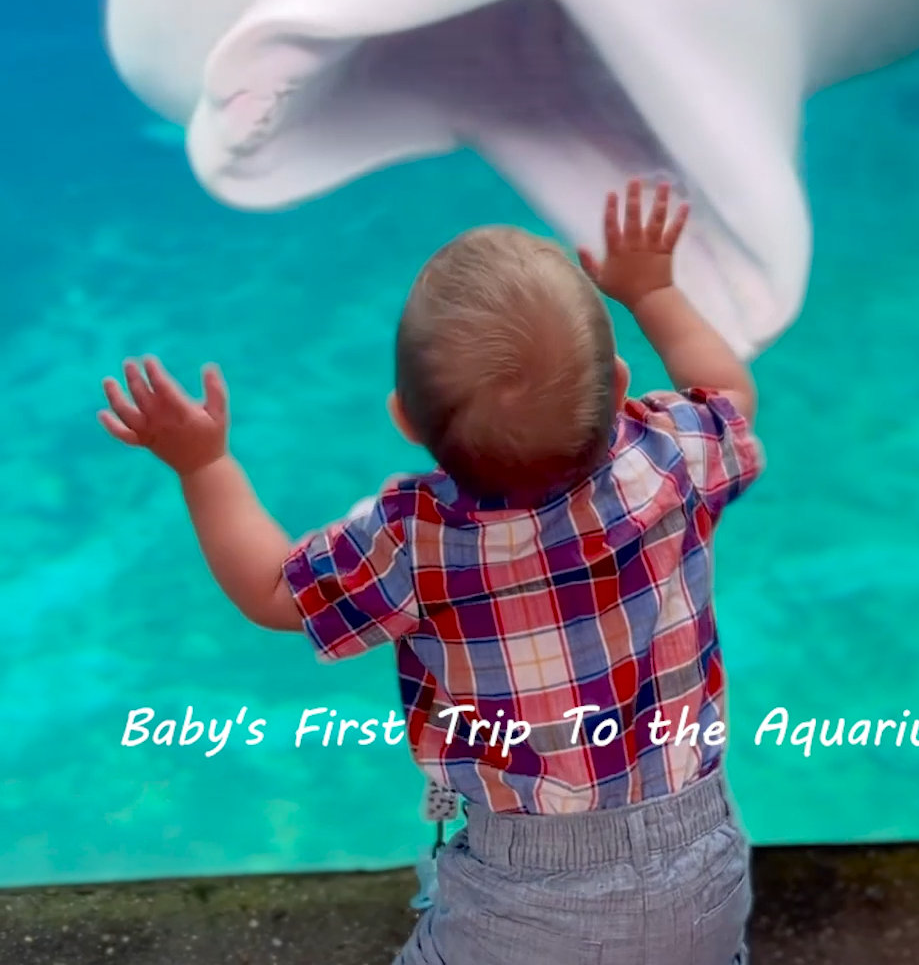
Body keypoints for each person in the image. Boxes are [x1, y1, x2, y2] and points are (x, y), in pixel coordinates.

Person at [100, 180, 764, 965]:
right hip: (704, 858)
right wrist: (651, 289)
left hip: (527, 898)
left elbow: (275, 591)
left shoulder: (415, 540)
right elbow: (732, 396)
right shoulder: (676, 452)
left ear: (405, 422)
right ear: (619, 386)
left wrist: (203, 465)